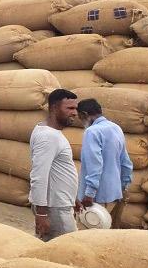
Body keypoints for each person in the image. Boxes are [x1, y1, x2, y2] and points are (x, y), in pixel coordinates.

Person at [29, 89, 80, 240]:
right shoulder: (48, 136)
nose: (75, 113)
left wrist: (73, 198)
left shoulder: (52, 132)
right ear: (54, 108)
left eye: (75, 108)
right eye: (69, 108)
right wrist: (42, 213)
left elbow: (57, 171)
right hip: (54, 208)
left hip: (59, 204)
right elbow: (39, 176)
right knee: (68, 250)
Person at [76, 99, 132, 228]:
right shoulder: (115, 128)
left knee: (91, 234)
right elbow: (125, 162)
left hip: (96, 197)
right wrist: (124, 186)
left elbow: (94, 165)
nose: (80, 121)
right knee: (110, 232)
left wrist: (89, 194)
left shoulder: (92, 132)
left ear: (84, 114)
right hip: (114, 193)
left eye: (80, 117)